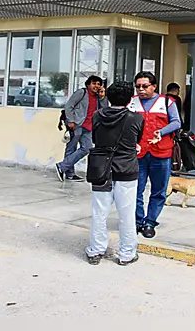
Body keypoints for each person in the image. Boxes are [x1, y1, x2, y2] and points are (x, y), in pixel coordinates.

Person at [86, 81, 144, 266]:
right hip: (126, 169)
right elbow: (137, 139)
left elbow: (96, 139)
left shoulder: (97, 115)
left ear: (108, 97)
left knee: (99, 213)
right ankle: (126, 254)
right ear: (129, 99)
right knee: (126, 214)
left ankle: (96, 251)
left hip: (101, 169)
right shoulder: (136, 118)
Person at [128, 71, 181, 238]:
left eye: (145, 86)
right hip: (138, 153)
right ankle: (137, 220)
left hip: (162, 152)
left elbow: (177, 122)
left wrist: (162, 132)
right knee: (136, 189)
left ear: (154, 86)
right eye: (138, 86)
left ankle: (150, 221)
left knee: (159, 190)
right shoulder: (131, 103)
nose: (141, 89)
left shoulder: (167, 102)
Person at [55, 76, 108, 182]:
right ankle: (69, 173)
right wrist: (71, 120)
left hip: (89, 126)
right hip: (76, 124)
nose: (96, 86)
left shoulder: (98, 97)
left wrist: (102, 97)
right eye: (94, 83)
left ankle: (62, 166)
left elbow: (104, 110)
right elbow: (69, 106)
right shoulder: (82, 93)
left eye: (98, 84)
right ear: (88, 84)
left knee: (87, 148)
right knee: (71, 148)